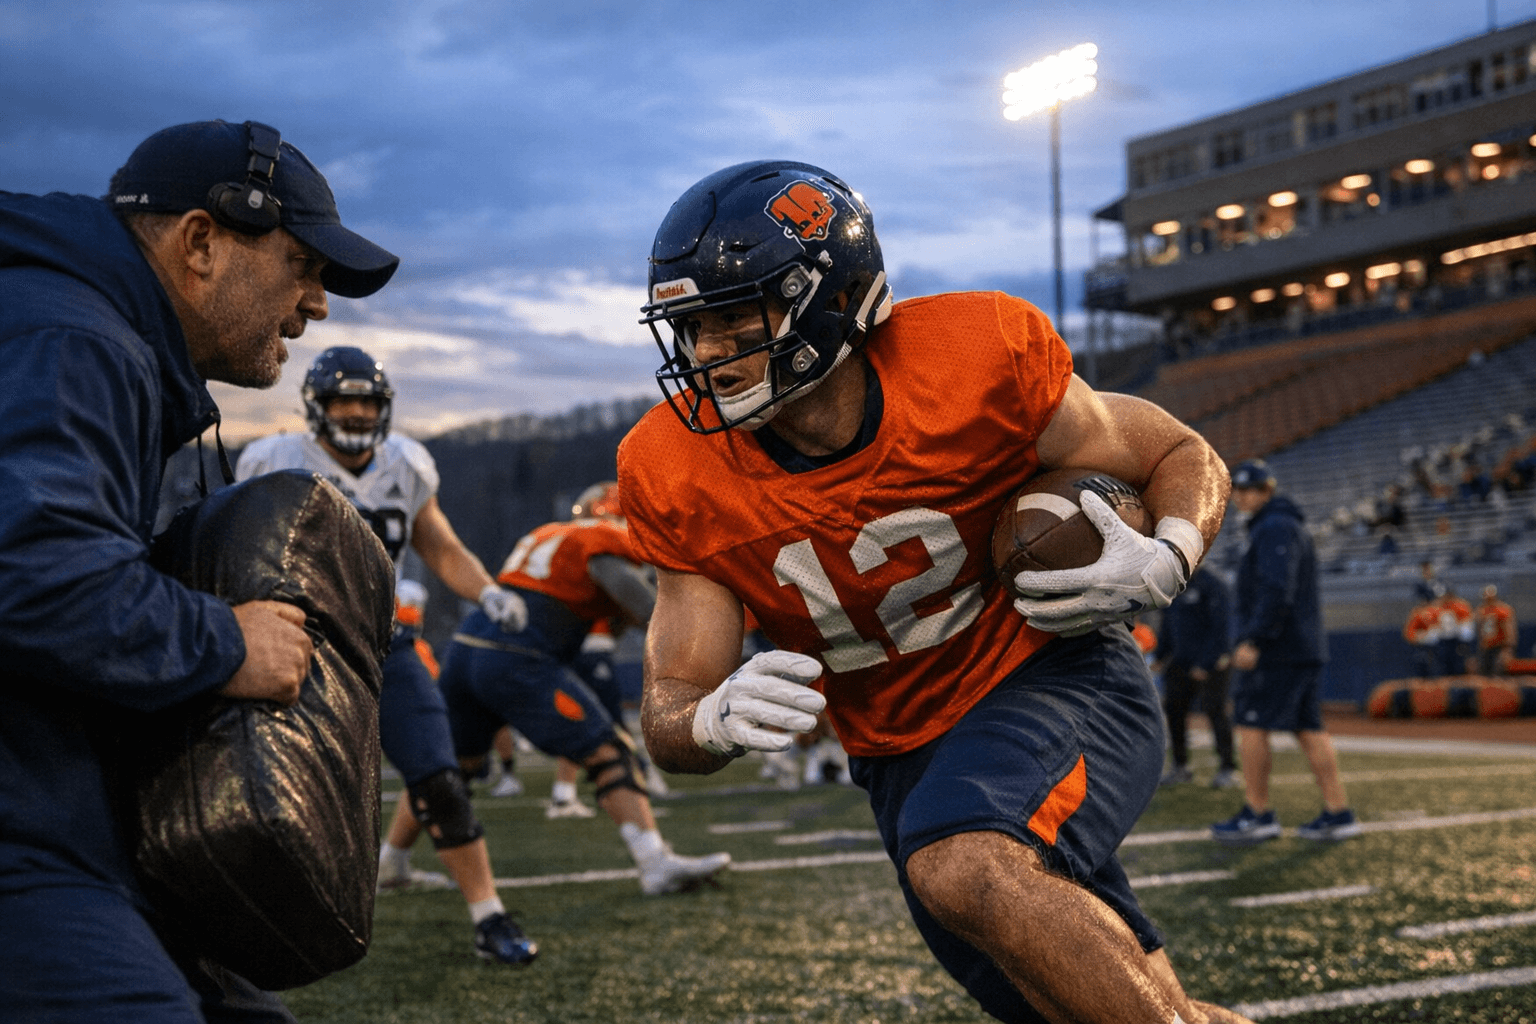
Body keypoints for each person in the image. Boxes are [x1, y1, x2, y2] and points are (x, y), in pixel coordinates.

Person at [620, 161, 1250, 1024]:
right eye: (692, 327)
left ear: (829, 299)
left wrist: (1169, 554)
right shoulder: (672, 468)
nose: (708, 354)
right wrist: (709, 719)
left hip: (1049, 677)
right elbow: (670, 704)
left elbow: (1179, 455)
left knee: (964, 864)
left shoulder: (974, 355)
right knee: (1075, 1002)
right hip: (896, 754)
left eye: (734, 319)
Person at [0, 119, 397, 1022]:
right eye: (303, 265)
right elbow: (26, 571)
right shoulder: (70, 340)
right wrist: (223, 640)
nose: (319, 304)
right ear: (202, 242)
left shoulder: (79, 328)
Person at [235, 346, 537, 967]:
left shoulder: (405, 466)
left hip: (385, 643)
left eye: (366, 401)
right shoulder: (275, 461)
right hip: (302, 643)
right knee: (285, 789)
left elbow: (440, 546)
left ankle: (489, 915)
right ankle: (258, 921)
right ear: (316, 408)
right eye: (343, 400)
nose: (355, 412)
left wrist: (487, 591)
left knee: (440, 775)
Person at [437, 480, 731, 896]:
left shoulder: (547, 535)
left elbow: (573, 601)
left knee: (446, 773)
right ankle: (654, 862)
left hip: (466, 650)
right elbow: (613, 578)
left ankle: (391, 860)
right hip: (516, 658)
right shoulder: (605, 538)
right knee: (609, 750)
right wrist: (667, 619)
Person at [1212, 459, 1359, 845]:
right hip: (1299, 647)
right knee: (1309, 728)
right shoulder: (1282, 525)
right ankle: (1337, 811)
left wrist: (1254, 639)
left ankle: (1257, 813)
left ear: (1267, 491)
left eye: (1250, 490)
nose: (1242, 497)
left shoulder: (1274, 526)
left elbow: (1277, 589)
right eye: (1238, 491)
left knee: (1249, 722)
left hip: (1279, 650)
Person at [1153, 565, 1238, 789]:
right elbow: (1168, 625)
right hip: (1180, 662)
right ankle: (1180, 766)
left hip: (1212, 663)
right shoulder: (1173, 585)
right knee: (1174, 711)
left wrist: (1205, 663)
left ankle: (1227, 767)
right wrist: (1160, 655)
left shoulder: (1214, 584)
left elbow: (1222, 627)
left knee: (1215, 710)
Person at [1473, 584, 1518, 676]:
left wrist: (1508, 646)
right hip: (1486, 646)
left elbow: (1509, 629)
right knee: (1484, 671)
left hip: (1500, 645)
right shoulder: (1481, 610)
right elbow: (1480, 630)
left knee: (1499, 670)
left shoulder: (1503, 610)